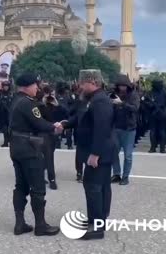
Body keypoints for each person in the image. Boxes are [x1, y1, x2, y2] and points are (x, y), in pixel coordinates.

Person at [63, 69, 116, 240]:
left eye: (83, 83)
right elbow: (80, 119)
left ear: (92, 82)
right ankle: (97, 219)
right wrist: (64, 125)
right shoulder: (91, 99)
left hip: (99, 152)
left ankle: (98, 228)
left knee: (94, 187)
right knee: (99, 186)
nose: (80, 86)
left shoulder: (100, 101)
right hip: (97, 150)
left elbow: (102, 129)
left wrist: (95, 154)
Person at [9, 72, 62, 237]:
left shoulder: (15, 100)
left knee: (21, 185)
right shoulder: (27, 103)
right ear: (27, 87)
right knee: (38, 187)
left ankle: (20, 224)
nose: (37, 88)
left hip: (16, 147)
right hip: (29, 148)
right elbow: (38, 123)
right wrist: (55, 127)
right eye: (35, 85)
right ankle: (41, 225)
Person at [110, 74, 140, 185]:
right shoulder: (114, 94)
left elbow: (135, 108)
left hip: (129, 129)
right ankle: (116, 174)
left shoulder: (133, 95)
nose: (122, 88)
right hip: (116, 127)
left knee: (128, 155)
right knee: (113, 152)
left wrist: (122, 103)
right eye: (120, 86)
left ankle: (125, 176)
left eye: (124, 86)